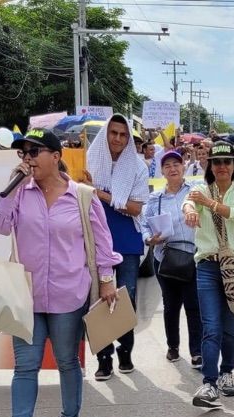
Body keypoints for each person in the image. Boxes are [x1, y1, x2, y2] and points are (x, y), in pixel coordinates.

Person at [0, 129, 121, 417]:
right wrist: (9, 189)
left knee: (66, 361)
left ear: (56, 156)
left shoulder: (82, 197)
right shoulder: (19, 193)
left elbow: (103, 244)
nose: (28, 159)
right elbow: (0, 226)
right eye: (24, 154)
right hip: (28, 297)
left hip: (68, 295)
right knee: (26, 366)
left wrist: (106, 281)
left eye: (35, 152)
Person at [181, 142, 234, 409]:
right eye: (216, 162)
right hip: (208, 267)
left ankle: (227, 372)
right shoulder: (200, 189)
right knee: (211, 326)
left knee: (229, 327)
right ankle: (209, 382)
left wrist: (210, 205)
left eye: (226, 161)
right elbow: (188, 203)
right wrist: (190, 211)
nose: (222, 166)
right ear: (209, 166)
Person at [84, 114, 149, 380]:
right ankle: (104, 359)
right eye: (114, 133)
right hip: (94, 241)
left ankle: (125, 353)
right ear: (106, 134)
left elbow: (135, 207)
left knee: (126, 299)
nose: (118, 139)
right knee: (99, 299)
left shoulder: (137, 166)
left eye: (123, 135)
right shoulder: (90, 161)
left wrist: (100, 194)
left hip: (126, 241)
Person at [141, 151, 204, 367]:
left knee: (193, 306)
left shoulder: (195, 192)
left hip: (193, 257)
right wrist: (149, 238)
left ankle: (197, 352)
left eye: (176, 164)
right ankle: (173, 347)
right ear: (162, 171)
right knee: (171, 305)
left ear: (184, 166)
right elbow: (144, 223)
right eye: (167, 165)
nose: (172, 168)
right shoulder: (155, 198)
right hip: (165, 257)